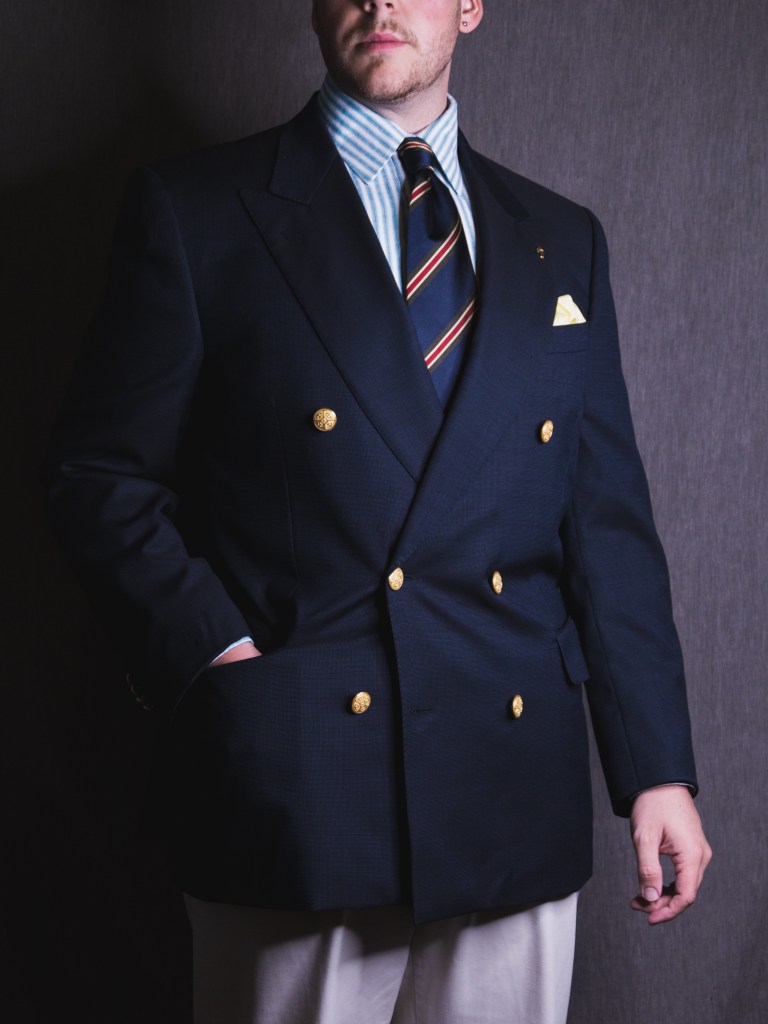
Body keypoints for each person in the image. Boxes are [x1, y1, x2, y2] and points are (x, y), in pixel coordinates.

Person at [47, 1, 712, 1022]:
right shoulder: (198, 209)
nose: (379, 0)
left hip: (510, 784)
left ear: (471, 5)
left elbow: (605, 526)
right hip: (302, 779)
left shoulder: (560, 238)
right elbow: (102, 477)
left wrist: (656, 769)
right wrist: (218, 656)